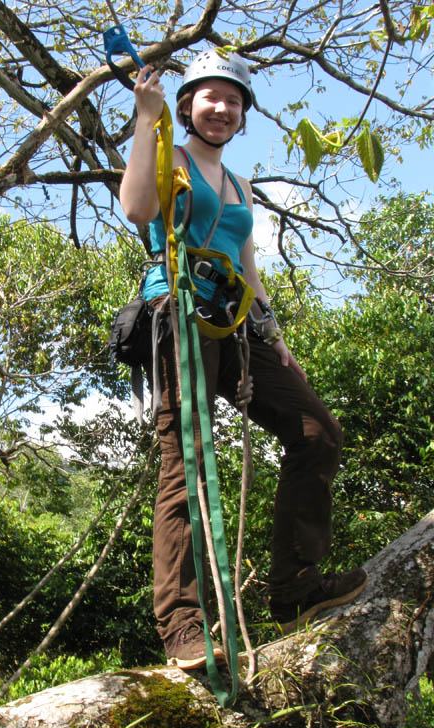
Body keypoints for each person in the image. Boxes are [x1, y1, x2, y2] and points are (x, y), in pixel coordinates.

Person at [119, 49, 367, 670]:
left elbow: (248, 264)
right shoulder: (169, 153)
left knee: (317, 432)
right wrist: (145, 120)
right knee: (189, 463)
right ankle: (182, 625)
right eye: (211, 97)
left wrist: (276, 337)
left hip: (237, 323)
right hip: (179, 312)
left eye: (233, 101)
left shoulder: (239, 184)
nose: (223, 109)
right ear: (187, 104)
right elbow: (138, 211)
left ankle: (295, 589)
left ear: (242, 115)